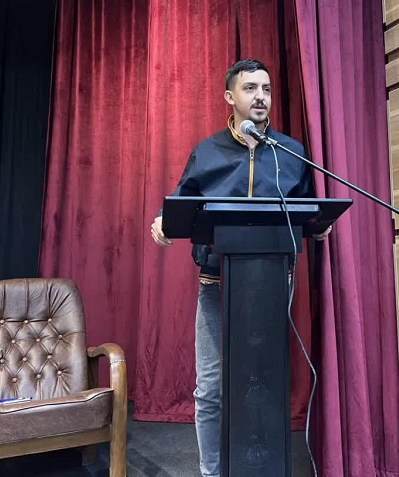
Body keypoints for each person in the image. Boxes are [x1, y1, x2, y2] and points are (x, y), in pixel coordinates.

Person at [150, 59, 331, 477]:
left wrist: (318, 225)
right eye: (250, 89)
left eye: (266, 89)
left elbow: (307, 209)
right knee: (211, 387)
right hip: (216, 285)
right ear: (230, 97)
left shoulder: (291, 153)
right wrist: (162, 219)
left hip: (272, 287)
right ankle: (211, 472)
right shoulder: (207, 151)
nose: (261, 97)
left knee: (265, 384)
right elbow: (180, 202)